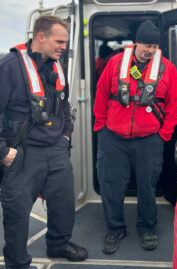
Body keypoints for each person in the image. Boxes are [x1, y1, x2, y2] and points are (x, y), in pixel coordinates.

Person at [0, 15, 88, 268]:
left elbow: (63, 106)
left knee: (64, 204)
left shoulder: (57, 66)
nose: (64, 46)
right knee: (17, 214)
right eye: (59, 41)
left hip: (56, 149)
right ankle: (17, 262)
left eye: (65, 42)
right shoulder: (9, 66)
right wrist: (3, 152)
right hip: (21, 154)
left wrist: (66, 135)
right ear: (41, 37)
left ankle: (58, 244)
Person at [94, 20, 177, 254]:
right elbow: (102, 94)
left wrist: (164, 134)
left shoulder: (168, 69)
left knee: (147, 186)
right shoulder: (114, 63)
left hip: (149, 139)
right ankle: (114, 229)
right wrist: (101, 127)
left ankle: (147, 228)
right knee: (111, 186)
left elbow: (174, 105)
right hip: (113, 138)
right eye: (147, 46)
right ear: (136, 43)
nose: (150, 51)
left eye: (154, 46)